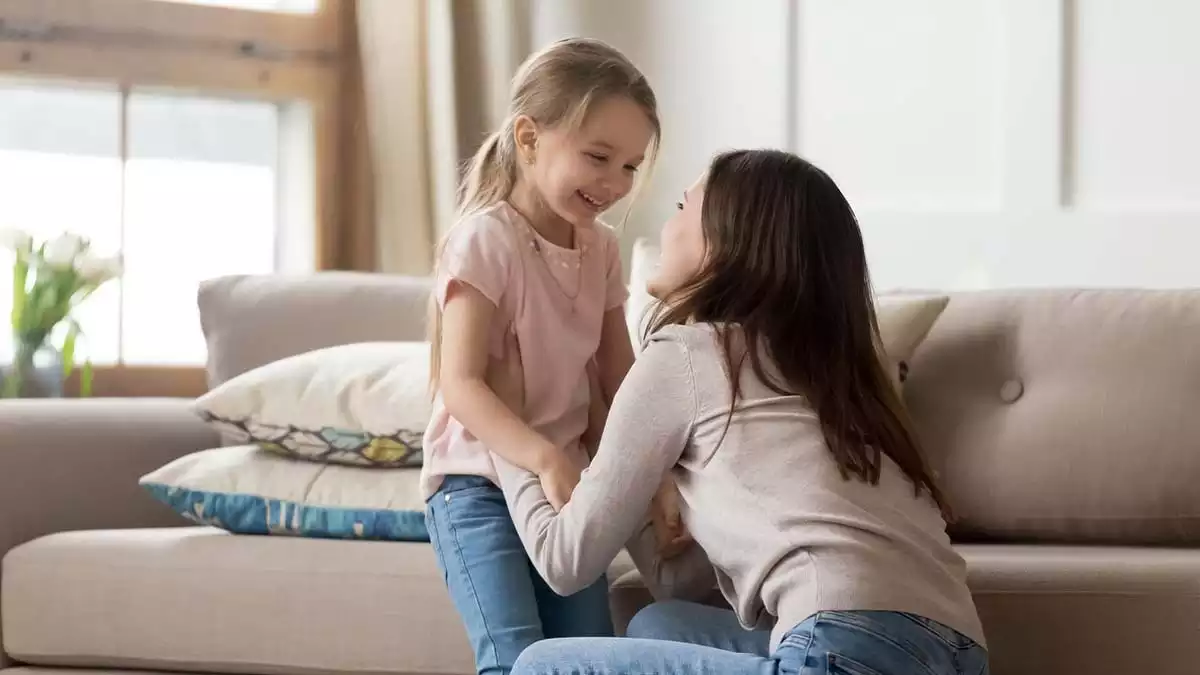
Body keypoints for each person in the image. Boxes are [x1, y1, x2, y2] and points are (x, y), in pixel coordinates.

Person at [489, 149, 990, 674]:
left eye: (683, 206)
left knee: (542, 666)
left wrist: (511, 429)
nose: (666, 224)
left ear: (722, 244)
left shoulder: (688, 354)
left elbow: (564, 562)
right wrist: (637, 483)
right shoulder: (840, 381)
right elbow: (677, 581)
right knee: (660, 624)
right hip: (956, 654)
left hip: (841, 650)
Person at [421, 37, 683, 675]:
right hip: (476, 487)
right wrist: (543, 457)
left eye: (630, 166)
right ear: (529, 138)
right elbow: (459, 384)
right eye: (598, 156)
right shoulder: (486, 240)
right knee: (514, 661)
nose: (614, 183)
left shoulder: (600, 251)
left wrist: (653, 475)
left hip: (569, 488)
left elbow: (618, 376)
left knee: (583, 659)